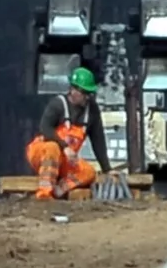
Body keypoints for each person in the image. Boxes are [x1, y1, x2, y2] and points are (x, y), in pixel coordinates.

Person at [25, 65, 108, 200]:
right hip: (41, 153)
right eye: (85, 93)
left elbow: (98, 140)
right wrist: (65, 147)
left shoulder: (92, 110)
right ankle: (44, 194)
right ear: (73, 90)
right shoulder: (58, 104)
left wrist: (107, 169)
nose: (88, 97)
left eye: (89, 93)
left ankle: (59, 190)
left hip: (65, 159)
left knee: (89, 172)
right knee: (52, 147)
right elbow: (45, 128)